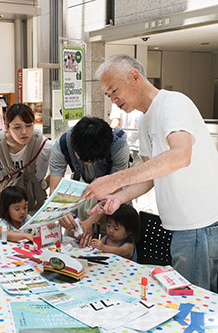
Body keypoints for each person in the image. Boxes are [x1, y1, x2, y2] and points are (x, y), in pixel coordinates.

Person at [84, 54, 218, 293]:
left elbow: (180, 156)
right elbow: (151, 175)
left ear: (134, 77)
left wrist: (115, 179)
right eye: (108, 95)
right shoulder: (145, 122)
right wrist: (118, 198)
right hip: (180, 226)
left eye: (114, 90)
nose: (113, 100)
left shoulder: (173, 103)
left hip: (200, 224)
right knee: (188, 297)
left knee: (195, 303)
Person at [51, 116, 130, 247]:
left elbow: (117, 188)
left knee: (111, 246)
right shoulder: (63, 145)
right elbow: (55, 189)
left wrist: (91, 222)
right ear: (74, 147)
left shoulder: (118, 146)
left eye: (94, 159)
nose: (88, 163)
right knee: (74, 242)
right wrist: (61, 212)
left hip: (112, 204)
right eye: (83, 158)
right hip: (80, 199)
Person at [0, 103, 52, 213]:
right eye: (17, 127)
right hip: (8, 206)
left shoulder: (44, 145)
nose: (24, 132)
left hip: (35, 205)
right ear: (7, 127)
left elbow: (58, 171)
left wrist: (41, 186)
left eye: (29, 125)